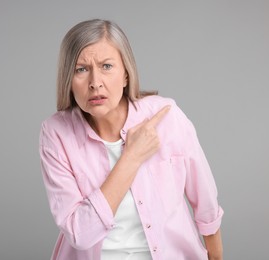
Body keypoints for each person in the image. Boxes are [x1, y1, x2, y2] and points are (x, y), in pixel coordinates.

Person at [39, 19, 224, 260]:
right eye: (81, 69)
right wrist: (132, 157)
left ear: (126, 74)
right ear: (68, 79)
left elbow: (206, 205)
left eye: (106, 66)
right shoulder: (56, 133)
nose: (95, 82)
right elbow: (80, 234)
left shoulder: (166, 117)